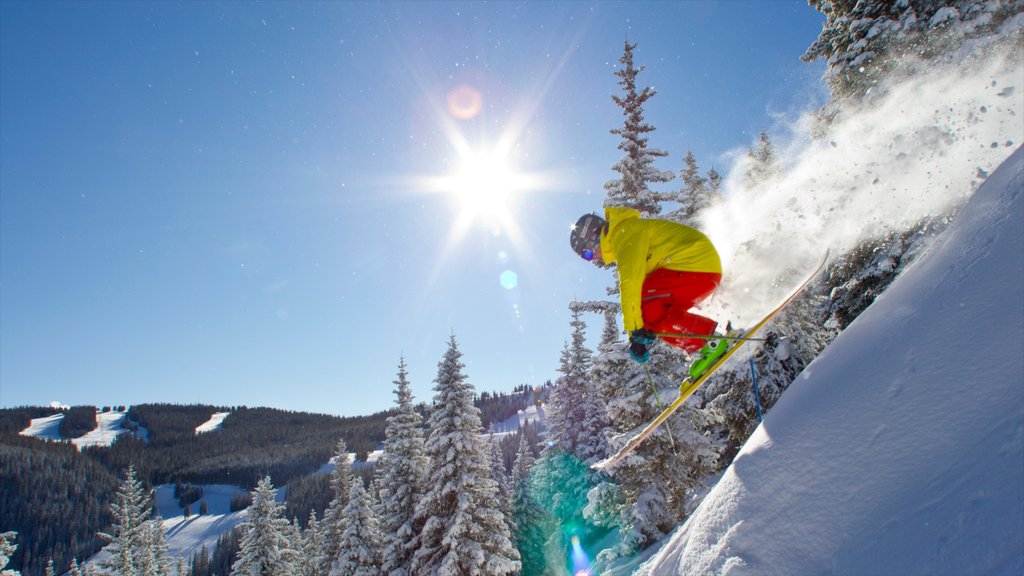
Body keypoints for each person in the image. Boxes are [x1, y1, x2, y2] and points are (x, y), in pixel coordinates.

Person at [570, 206, 730, 377]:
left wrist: (634, 330)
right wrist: (636, 335)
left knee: (647, 303)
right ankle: (703, 346)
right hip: (698, 273)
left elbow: (630, 284)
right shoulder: (623, 238)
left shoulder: (625, 233)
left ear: (593, 237)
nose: (592, 259)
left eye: (587, 254)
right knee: (652, 315)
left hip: (695, 265)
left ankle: (708, 341)